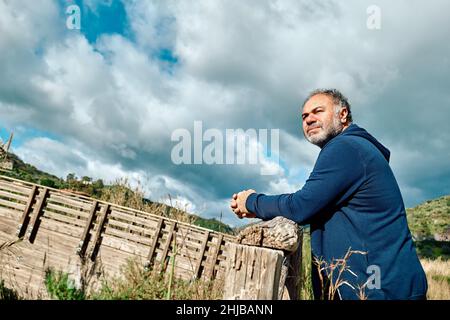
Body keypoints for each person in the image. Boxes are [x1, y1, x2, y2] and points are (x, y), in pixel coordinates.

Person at [230, 89, 428, 300]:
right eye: (304, 116)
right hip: (387, 286)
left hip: (380, 290)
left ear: (342, 115)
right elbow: (313, 203)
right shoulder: (355, 148)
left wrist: (251, 201)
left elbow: (300, 206)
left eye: (318, 111)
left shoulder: (346, 148)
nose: (309, 120)